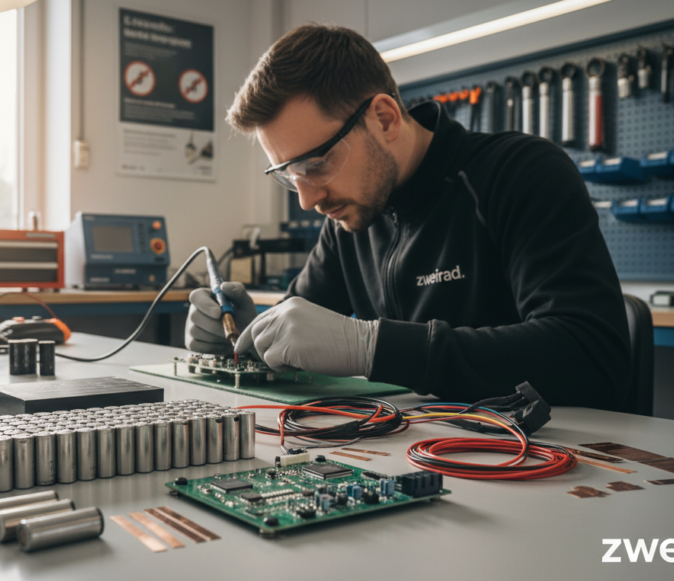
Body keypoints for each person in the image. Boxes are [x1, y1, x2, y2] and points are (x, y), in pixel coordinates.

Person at [186, 24, 631, 410]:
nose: (307, 199)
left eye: (317, 163)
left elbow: (589, 357)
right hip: (412, 459)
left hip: (545, 464)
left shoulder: (520, 172)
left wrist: (372, 347)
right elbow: (301, 328)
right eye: (290, 174)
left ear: (383, 118)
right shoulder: (348, 218)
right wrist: (247, 336)